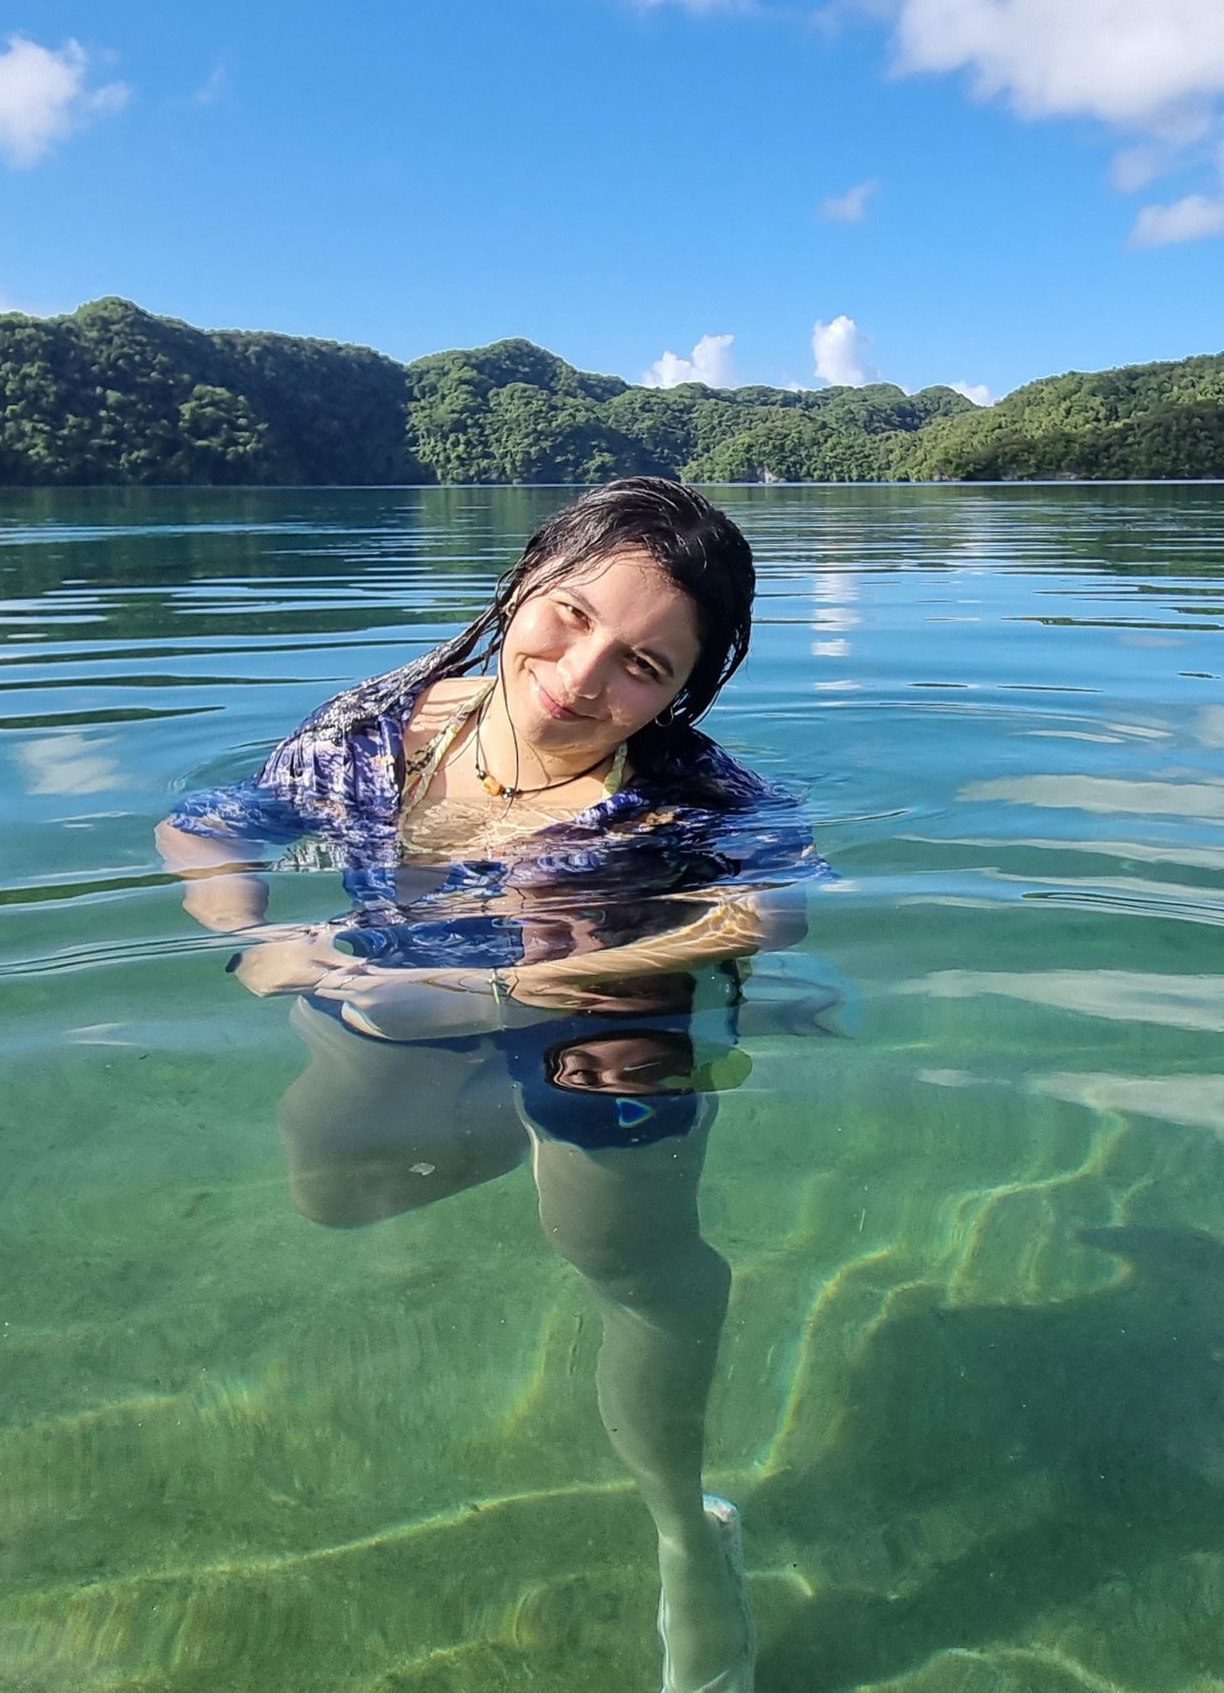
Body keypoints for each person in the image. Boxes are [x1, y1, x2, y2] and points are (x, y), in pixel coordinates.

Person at [157, 478, 819, 1693]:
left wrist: (501, 1000)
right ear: (520, 582)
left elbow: (765, 909)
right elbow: (206, 825)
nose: (578, 679)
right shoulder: (386, 725)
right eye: (566, 616)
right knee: (334, 1188)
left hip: (614, 1008)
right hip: (403, 982)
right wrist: (250, 940)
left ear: (682, 694)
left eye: (642, 666)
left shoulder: (686, 793)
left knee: (622, 1259)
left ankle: (685, 1532)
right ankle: (529, 1112)